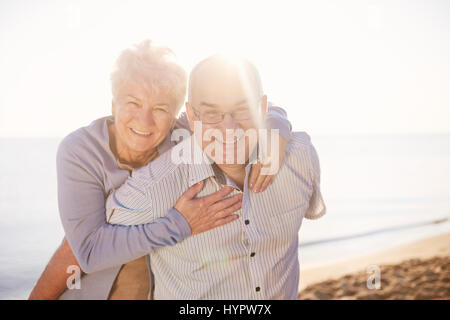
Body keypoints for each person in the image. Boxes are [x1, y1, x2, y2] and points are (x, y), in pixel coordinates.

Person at [28, 40, 292, 300]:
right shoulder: (81, 151)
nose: (144, 120)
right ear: (113, 104)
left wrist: (275, 133)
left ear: (180, 114)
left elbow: (251, 108)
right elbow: (87, 252)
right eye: (132, 103)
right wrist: (180, 224)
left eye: (160, 108)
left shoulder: (183, 135)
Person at [105, 54, 326, 299]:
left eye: (242, 110)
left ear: (262, 108)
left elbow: (311, 208)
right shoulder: (155, 187)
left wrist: (278, 125)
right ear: (191, 116)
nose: (229, 128)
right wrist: (175, 224)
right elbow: (98, 245)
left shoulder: (299, 158)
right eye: (211, 114)